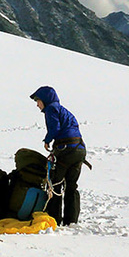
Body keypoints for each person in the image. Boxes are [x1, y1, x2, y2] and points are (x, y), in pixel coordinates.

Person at [32, 86, 86, 226]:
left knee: (55, 184)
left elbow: (54, 129)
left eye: (38, 101)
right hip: (79, 149)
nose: (37, 105)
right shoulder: (64, 110)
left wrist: (47, 140)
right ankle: (71, 221)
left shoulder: (51, 109)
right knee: (71, 186)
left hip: (66, 150)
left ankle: (54, 219)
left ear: (45, 99)